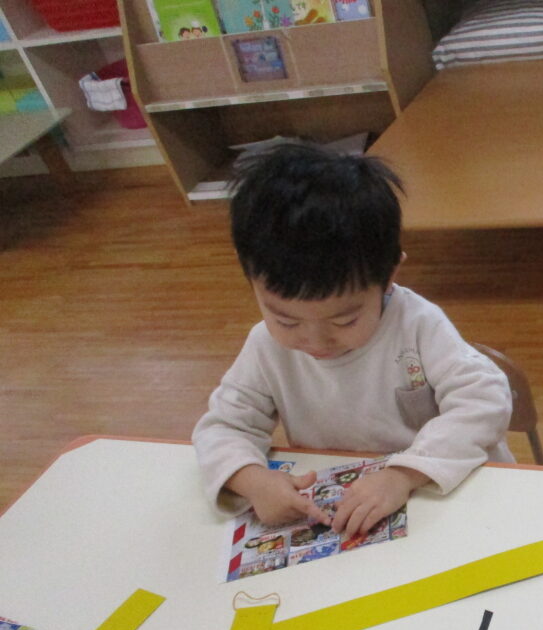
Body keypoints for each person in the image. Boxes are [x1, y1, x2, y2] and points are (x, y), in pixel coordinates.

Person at [193, 141, 513, 536]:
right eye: (286, 320)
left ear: (389, 275)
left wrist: (404, 473)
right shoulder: (265, 345)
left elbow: (485, 399)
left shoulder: (417, 325)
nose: (316, 341)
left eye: (344, 320)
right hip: (351, 511)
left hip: (440, 498)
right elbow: (223, 427)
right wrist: (253, 480)